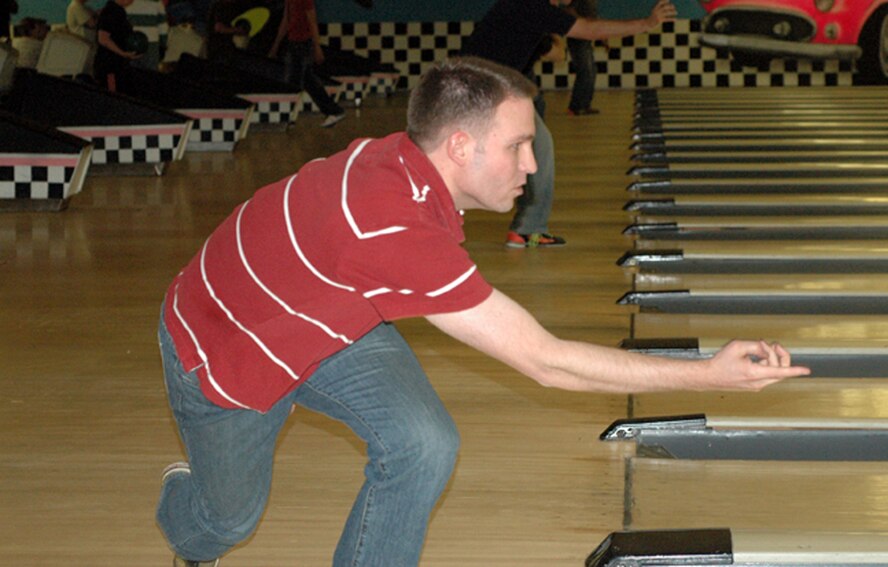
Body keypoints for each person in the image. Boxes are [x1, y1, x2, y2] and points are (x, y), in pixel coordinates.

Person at [155, 56, 809, 567]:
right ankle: (187, 504)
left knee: (423, 442)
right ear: (461, 146)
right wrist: (709, 374)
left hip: (324, 318)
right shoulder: (390, 226)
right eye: (519, 145)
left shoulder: (407, 164)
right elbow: (545, 361)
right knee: (225, 520)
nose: (533, 163)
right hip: (224, 348)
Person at [461, 0, 676, 248]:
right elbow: (587, 29)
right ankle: (527, 229)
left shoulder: (525, 9)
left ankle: (526, 228)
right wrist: (646, 24)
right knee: (537, 150)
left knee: (537, 147)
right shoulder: (531, 6)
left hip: (481, 88)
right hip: (483, 92)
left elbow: (556, 49)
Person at [268, 0, 345, 128]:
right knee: (300, 79)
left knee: (303, 79)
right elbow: (286, 21)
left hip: (304, 43)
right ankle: (331, 111)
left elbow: (312, 22)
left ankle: (333, 111)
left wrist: (317, 48)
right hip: (294, 43)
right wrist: (276, 45)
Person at [93, 0, 140, 91]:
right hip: (109, 66)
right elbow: (103, 39)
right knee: (113, 98)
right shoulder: (111, 11)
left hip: (117, 64)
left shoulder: (118, 11)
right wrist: (123, 53)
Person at [565, 0, 599, 115]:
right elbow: (569, 10)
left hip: (584, 38)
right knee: (586, 71)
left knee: (590, 71)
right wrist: (582, 24)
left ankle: (584, 105)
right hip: (578, 38)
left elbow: (593, 19)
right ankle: (576, 106)